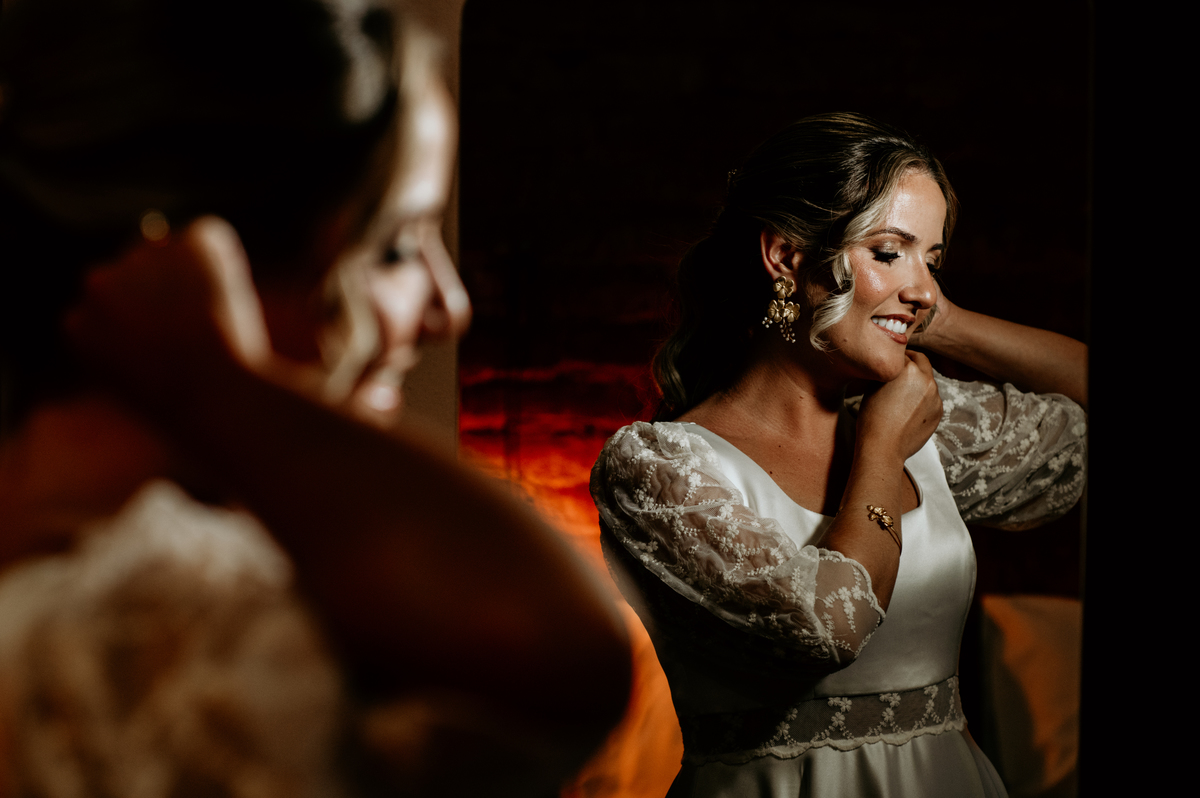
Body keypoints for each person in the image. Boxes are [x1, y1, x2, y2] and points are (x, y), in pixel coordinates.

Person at [0, 0, 630, 795]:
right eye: (397, 246)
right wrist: (219, 382)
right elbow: (565, 657)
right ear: (182, 261)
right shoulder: (162, 631)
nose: (450, 304)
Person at [591, 113, 1086, 797]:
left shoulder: (930, 423)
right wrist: (881, 449)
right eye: (889, 251)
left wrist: (936, 315)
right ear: (787, 258)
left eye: (933, 259)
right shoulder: (659, 469)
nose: (921, 285)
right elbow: (832, 627)